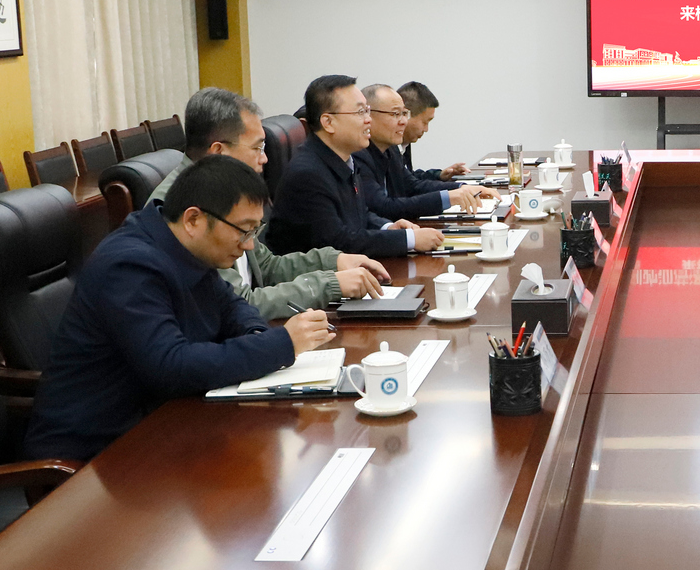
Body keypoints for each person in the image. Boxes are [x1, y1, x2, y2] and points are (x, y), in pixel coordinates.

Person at [24, 156, 334, 461]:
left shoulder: (185, 246)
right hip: (94, 456)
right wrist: (280, 344)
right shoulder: (129, 265)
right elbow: (170, 365)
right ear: (193, 220)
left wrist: (257, 337)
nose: (249, 244)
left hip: (162, 427)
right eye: (244, 230)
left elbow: (231, 307)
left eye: (254, 230)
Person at [149, 87, 391, 317]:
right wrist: (329, 284)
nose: (264, 158)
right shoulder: (186, 209)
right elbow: (239, 303)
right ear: (219, 152)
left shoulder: (224, 189)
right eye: (257, 147)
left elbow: (266, 267)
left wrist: (334, 261)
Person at [267, 75, 445, 256]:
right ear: (328, 122)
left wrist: (387, 227)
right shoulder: (308, 175)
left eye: (367, 111)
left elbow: (359, 215)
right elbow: (338, 242)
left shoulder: (344, 159)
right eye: (360, 112)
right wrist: (409, 239)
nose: (369, 120)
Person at [354, 84, 491, 220]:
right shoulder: (357, 154)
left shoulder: (391, 149)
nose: (403, 122)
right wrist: (449, 197)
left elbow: (412, 186)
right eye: (396, 114)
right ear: (368, 115)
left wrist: (462, 188)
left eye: (404, 114)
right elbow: (383, 207)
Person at [398, 80, 468, 185]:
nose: (426, 129)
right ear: (406, 115)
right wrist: (458, 189)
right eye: (425, 122)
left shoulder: (404, 143)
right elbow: (410, 186)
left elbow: (409, 178)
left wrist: (439, 175)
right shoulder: (388, 147)